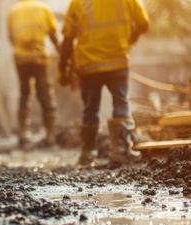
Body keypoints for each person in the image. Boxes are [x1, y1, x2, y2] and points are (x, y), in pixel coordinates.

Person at [59, 0, 150, 167]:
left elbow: (67, 39)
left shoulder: (77, 3)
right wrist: (129, 39)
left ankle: (87, 155)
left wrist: (62, 69)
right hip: (118, 61)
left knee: (90, 108)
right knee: (121, 103)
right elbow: (144, 25)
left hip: (88, 65)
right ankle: (121, 151)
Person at [7, 0, 61, 147]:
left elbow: (11, 38)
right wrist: (62, 54)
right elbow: (53, 35)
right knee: (45, 93)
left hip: (21, 58)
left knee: (24, 93)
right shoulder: (44, 8)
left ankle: (23, 134)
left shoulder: (13, 11)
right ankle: (50, 136)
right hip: (40, 58)